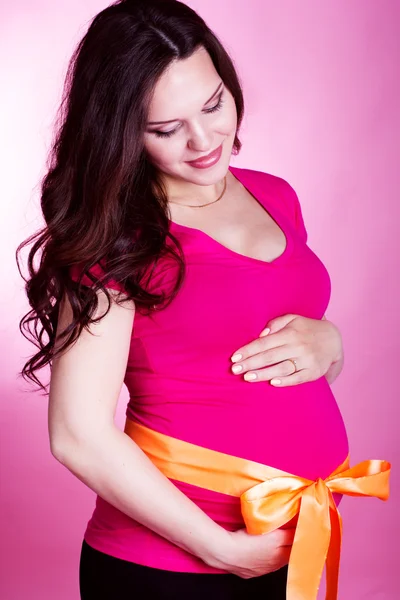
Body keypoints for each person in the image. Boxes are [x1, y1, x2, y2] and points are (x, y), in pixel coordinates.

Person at [16, 1, 390, 599]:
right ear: (122, 134)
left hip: (286, 540)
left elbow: (268, 364)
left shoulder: (275, 196)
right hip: (170, 567)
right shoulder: (116, 239)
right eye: (165, 129)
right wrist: (222, 550)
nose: (203, 140)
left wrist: (332, 343)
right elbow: (76, 432)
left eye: (213, 104)